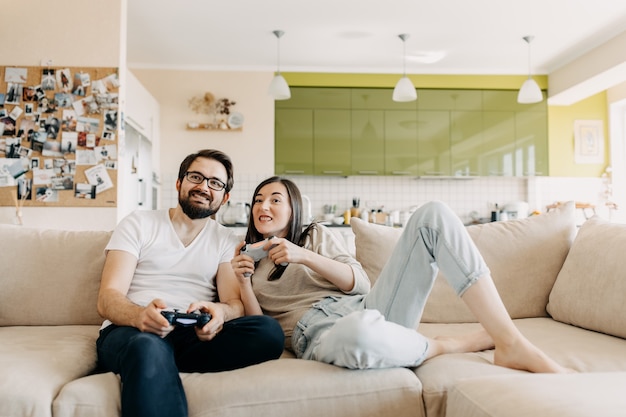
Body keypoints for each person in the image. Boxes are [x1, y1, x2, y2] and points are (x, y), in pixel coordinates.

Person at [231, 176, 571, 374]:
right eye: (258, 200)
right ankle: (447, 345)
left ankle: (510, 341)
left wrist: (304, 255)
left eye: (275, 199)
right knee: (359, 334)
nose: (264, 206)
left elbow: (360, 283)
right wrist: (245, 283)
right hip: (321, 333)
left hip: (370, 306)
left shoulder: (315, 236)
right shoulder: (249, 262)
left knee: (432, 214)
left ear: (294, 209)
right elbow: (265, 333)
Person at [96, 150, 285, 417]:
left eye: (215, 183)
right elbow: (107, 298)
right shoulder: (138, 223)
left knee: (268, 331)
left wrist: (220, 313)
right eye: (196, 177)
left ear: (225, 197)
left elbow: (233, 303)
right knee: (148, 347)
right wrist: (140, 316)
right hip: (133, 331)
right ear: (179, 183)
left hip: (190, 334)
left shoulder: (226, 239)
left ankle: (159, 363)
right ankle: (152, 359)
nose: (203, 187)